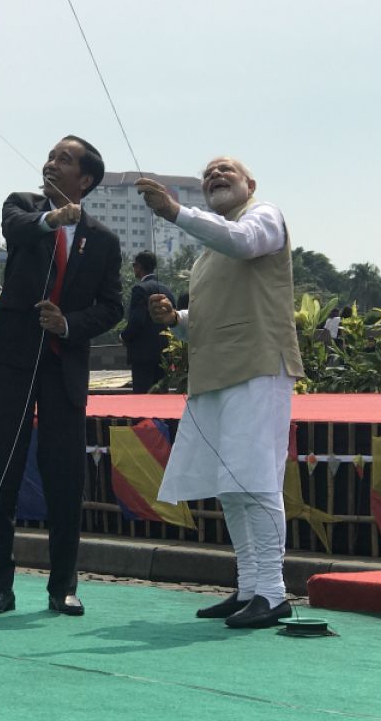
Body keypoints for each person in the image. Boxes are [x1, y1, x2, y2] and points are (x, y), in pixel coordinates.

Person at [137, 157, 305, 629]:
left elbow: (245, 242)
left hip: (256, 365)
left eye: (225, 170)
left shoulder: (263, 215)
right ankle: (249, 586)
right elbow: (210, 318)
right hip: (216, 371)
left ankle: (273, 593)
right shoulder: (207, 252)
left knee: (255, 480)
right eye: (208, 172)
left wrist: (174, 212)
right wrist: (177, 321)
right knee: (232, 487)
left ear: (250, 183)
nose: (215, 175)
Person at [0, 135, 123, 617]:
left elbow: (111, 306)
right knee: (1, 469)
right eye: (51, 156)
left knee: (64, 477)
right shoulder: (23, 207)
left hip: (65, 367)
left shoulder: (103, 240)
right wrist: (51, 220)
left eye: (65, 159)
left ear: (85, 180)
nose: (51, 163)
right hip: (12, 361)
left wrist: (69, 324)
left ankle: (63, 586)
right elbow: (17, 229)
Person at [119, 250, 176, 393]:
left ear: (139, 266)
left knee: (142, 398)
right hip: (164, 353)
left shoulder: (140, 289)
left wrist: (124, 336)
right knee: (161, 397)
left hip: (143, 355)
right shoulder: (166, 290)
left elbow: (137, 320)